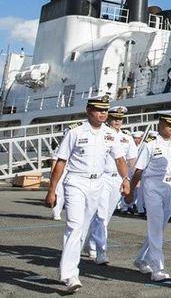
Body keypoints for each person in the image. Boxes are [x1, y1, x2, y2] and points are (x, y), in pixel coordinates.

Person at [44, 94, 130, 294]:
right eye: (99, 110)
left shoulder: (110, 134)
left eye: (105, 110)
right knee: (74, 225)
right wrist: (52, 190)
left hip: (97, 183)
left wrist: (125, 179)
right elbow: (61, 161)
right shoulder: (75, 132)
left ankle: (66, 269)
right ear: (89, 110)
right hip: (76, 181)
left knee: (82, 229)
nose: (103, 114)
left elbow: (120, 159)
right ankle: (70, 275)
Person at [127, 110, 171, 281]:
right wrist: (130, 191)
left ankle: (141, 259)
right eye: (169, 125)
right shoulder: (150, 144)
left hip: (170, 186)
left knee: (160, 227)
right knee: (155, 226)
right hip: (152, 186)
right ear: (160, 124)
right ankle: (157, 268)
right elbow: (139, 170)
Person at [86, 105, 137, 264]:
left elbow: (131, 160)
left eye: (120, 119)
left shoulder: (127, 137)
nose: (117, 121)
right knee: (101, 214)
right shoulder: (102, 134)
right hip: (103, 177)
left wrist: (132, 179)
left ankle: (91, 241)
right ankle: (100, 250)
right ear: (109, 118)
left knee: (106, 215)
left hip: (118, 179)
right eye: (114, 118)